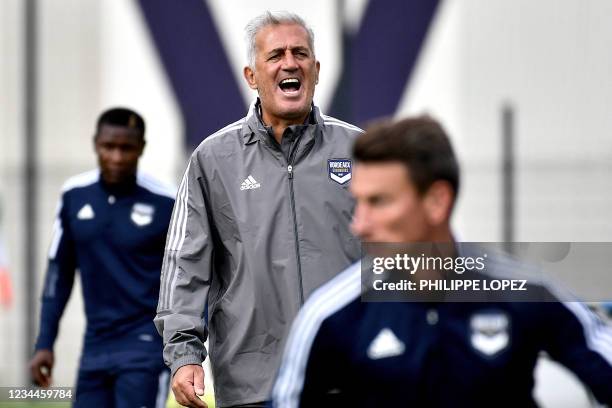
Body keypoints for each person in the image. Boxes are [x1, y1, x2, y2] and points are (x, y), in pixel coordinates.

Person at [270, 116, 612, 407]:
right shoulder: (330, 314)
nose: (359, 223)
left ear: (436, 201)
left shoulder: (524, 292)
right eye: (358, 202)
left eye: (379, 202)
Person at [155, 11, 362, 408]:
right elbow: (184, 265)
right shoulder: (212, 159)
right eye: (276, 55)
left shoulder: (361, 152)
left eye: (300, 53)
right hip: (253, 386)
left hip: (347, 380)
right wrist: (183, 355)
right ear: (251, 75)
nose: (290, 63)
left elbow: (395, 256)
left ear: (316, 70)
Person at [30, 108, 175, 407]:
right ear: (96, 143)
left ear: (142, 148)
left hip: (146, 347)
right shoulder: (74, 195)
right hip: (95, 346)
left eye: (127, 148)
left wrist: (183, 347)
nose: (117, 157)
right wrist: (45, 342)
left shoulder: (167, 201)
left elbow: (189, 277)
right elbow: (59, 274)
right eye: (109, 147)